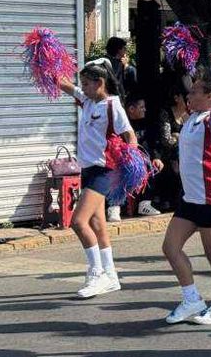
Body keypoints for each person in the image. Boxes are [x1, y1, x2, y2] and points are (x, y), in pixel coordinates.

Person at [56, 61, 136, 298]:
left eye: (87, 84)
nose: (83, 88)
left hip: (103, 171)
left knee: (78, 222)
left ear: (100, 83)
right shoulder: (88, 101)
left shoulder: (113, 106)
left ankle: (96, 273)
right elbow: (65, 85)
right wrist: (48, 61)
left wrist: (131, 161)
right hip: (88, 170)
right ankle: (111, 276)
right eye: (82, 84)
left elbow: (129, 135)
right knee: (98, 225)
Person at [161, 77, 211, 325]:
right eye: (189, 92)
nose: (189, 96)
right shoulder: (190, 119)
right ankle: (192, 299)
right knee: (170, 248)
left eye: (195, 93)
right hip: (191, 197)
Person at [124, 94, 164, 217]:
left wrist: (156, 157)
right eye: (141, 107)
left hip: (143, 160)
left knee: (153, 166)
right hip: (125, 160)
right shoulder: (123, 124)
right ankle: (115, 207)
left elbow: (153, 143)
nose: (144, 110)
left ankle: (145, 204)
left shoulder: (146, 124)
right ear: (131, 109)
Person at [105, 36, 138, 102]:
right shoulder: (114, 63)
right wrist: (126, 66)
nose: (126, 51)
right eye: (124, 48)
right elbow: (115, 79)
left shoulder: (107, 61)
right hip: (116, 99)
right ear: (119, 50)